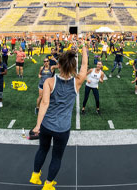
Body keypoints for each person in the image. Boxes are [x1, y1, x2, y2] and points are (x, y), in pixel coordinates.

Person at [29, 46, 88, 190]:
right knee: (57, 157)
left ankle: (35, 175)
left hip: (47, 125)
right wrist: (84, 49)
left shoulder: (49, 81)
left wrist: (37, 126)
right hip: (63, 128)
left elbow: (44, 102)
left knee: (42, 149)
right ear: (73, 66)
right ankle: (48, 185)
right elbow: (85, 65)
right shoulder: (78, 81)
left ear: (59, 65)